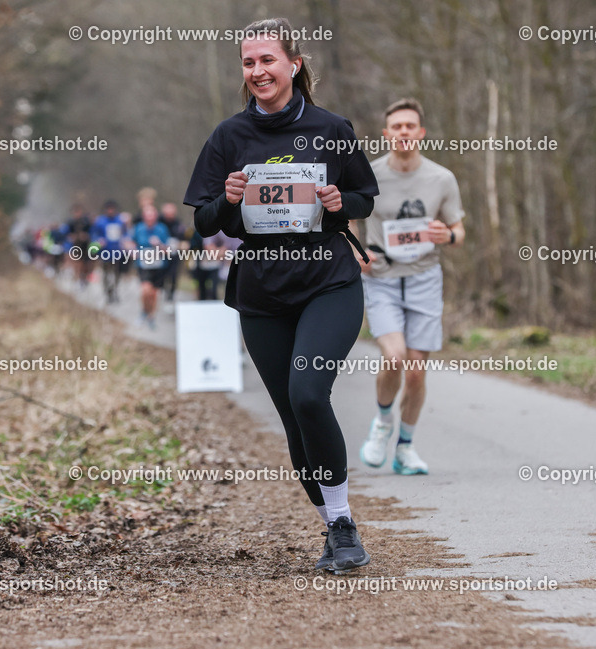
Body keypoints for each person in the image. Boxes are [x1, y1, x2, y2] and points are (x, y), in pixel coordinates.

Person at [184, 17, 378, 573]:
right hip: (262, 292)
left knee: (310, 394)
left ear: (294, 63)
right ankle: (333, 525)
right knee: (294, 417)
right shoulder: (229, 137)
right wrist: (226, 200)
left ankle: (343, 525)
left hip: (328, 281)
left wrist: (343, 202)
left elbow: (365, 197)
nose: (258, 71)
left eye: (267, 60)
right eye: (249, 63)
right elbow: (203, 222)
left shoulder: (332, 127)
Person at [355, 98, 465, 475]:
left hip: (424, 279)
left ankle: (404, 447)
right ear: (387, 134)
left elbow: (458, 229)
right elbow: (349, 219)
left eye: (409, 126)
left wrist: (446, 234)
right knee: (395, 357)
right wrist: (357, 253)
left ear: (421, 133)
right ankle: (383, 421)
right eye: (396, 127)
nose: (403, 132)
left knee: (417, 371)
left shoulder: (441, 178)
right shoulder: (369, 175)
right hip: (382, 278)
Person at [134, 204, 170, 328]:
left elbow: (168, 250)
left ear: (155, 216)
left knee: (154, 294)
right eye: (147, 215)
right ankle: (144, 311)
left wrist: (159, 244)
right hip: (143, 264)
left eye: (151, 215)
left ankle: (151, 316)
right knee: (145, 291)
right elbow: (131, 243)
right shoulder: (138, 228)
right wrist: (132, 251)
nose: (149, 218)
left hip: (159, 265)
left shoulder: (162, 229)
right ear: (143, 217)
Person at [90, 200, 131, 304]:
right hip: (105, 252)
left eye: (112, 209)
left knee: (117, 273)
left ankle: (115, 291)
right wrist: (98, 242)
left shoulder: (120, 221)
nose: (110, 211)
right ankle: (107, 293)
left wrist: (125, 242)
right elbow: (94, 235)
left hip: (118, 252)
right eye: (109, 209)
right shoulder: (100, 222)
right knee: (106, 273)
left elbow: (126, 234)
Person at [159, 202, 187, 310]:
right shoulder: (159, 223)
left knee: (174, 275)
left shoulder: (178, 224)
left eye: (172, 213)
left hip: (175, 254)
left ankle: (171, 295)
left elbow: (184, 240)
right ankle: (163, 292)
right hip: (161, 254)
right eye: (167, 213)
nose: (170, 215)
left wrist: (183, 244)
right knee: (163, 275)